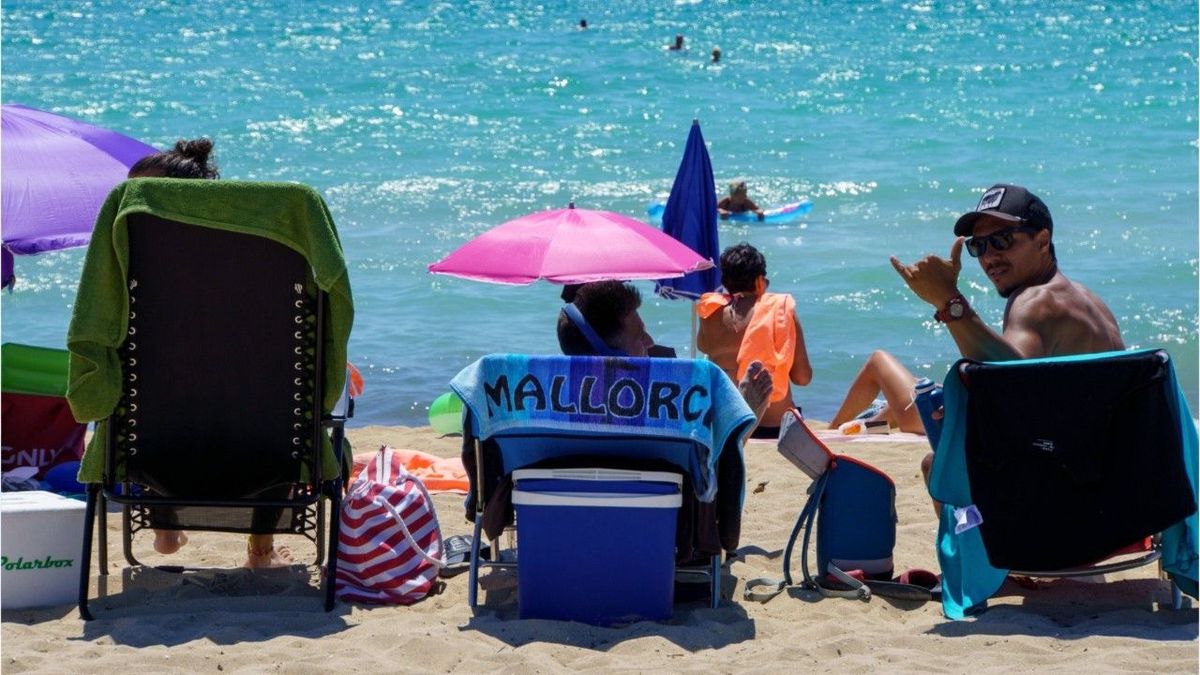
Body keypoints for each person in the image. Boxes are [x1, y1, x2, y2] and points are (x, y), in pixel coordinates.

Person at [884, 183, 1124, 480]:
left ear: (1043, 241)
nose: (989, 257)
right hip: (1118, 479)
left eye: (1003, 240)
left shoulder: (1035, 301)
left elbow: (1007, 378)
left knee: (939, 467)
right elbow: (1038, 396)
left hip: (1072, 491)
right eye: (979, 246)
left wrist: (948, 301)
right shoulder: (1087, 299)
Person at [126, 139, 289, 569]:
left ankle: (163, 528)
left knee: (151, 394)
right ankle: (261, 551)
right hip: (263, 458)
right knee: (269, 398)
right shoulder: (254, 265)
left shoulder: (137, 274)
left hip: (161, 459)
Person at [557, 280, 773, 422]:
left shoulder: (550, 408)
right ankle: (741, 426)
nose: (650, 342)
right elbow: (708, 473)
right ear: (611, 359)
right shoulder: (654, 415)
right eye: (639, 336)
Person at [696, 243, 813, 439]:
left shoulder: (710, 313)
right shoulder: (781, 311)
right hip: (773, 425)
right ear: (760, 280)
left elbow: (703, 345)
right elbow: (803, 378)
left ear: (725, 281)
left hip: (726, 424)